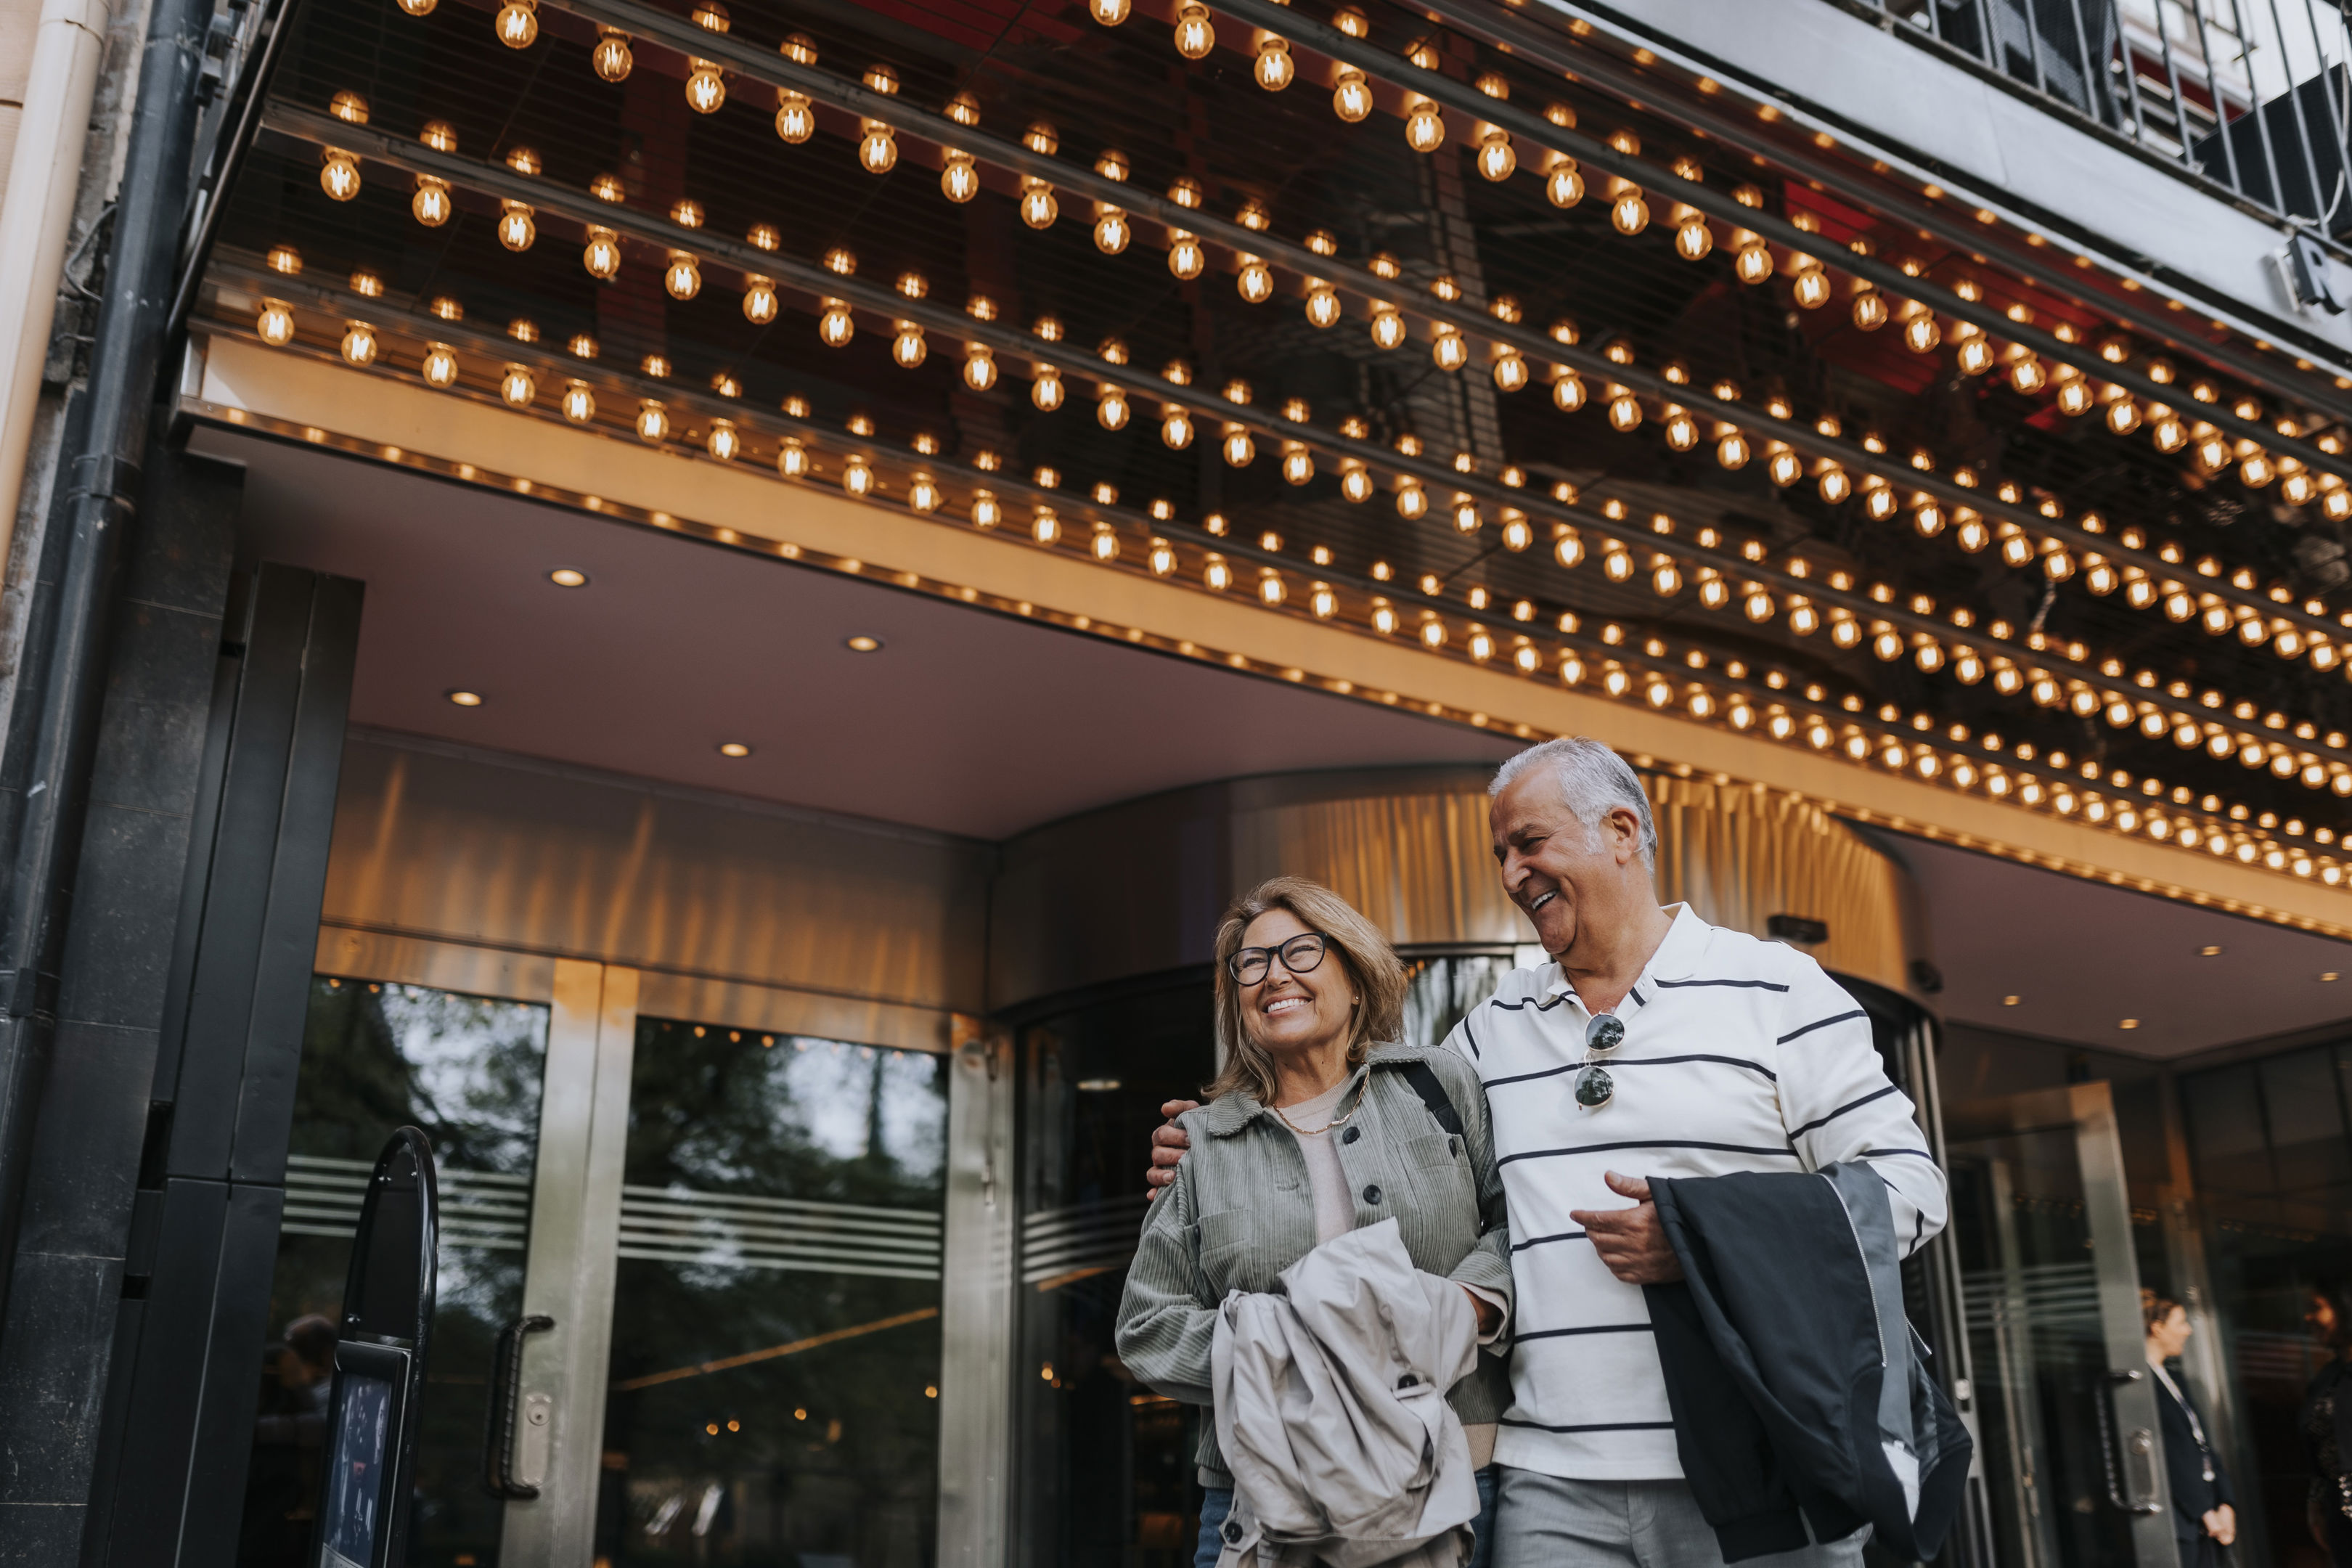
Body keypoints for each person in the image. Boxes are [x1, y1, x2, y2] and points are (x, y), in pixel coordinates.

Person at [1151, 738, 1947, 1567]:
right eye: (1501, 853)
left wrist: (1704, 1240)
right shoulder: (1487, 1036)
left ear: (1621, 831)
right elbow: (1357, 1137)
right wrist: (1213, 1152)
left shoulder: (1779, 990)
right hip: (1545, 1487)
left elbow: (1912, 1192)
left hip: (1759, 1471)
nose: (1510, 873)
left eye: (1529, 843)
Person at [1116, 876, 1514, 1568]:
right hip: (1264, 1498)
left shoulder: (1438, 1085)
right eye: (1252, 963)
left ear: (1355, 976)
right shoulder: (1202, 1140)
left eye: (1300, 952)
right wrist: (1298, 1343)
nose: (1275, 976)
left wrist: (1460, 1308)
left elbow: (1516, 1228)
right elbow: (1146, 1327)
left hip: (1458, 1481)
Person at [2144, 1291, 2235, 1564]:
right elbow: (2169, 1454)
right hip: (2186, 1519)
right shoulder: (2141, 1386)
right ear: (2157, 1328)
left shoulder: (2174, 1379)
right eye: (2181, 1323)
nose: (2189, 1330)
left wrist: (2226, 1503)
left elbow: (2201, 1445)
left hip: (2207, 1514)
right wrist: (2203, 1511)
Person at [2307, 1283, 2352, 1566]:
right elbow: (2321, 1444)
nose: (2308, 1318)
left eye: (2317, 1308)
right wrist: (2316, 1501)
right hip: (2339, 1508)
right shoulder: (2327, 1378)